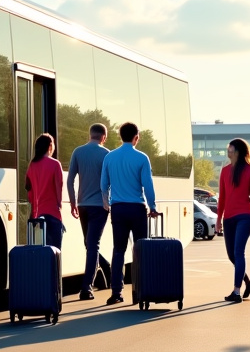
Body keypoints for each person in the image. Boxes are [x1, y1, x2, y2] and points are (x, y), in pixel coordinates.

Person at [99, 122, 159, 305]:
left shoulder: (110, 157)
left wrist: (106, 203)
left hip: (118, 209)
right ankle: (141, 290)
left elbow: (103, 185)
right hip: (137, 209)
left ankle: (116, 292)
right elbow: (147, 185)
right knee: (140, 250)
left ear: (120, 136)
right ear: (136, 137)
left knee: (119, 250)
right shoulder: (142, 158)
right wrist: (153, 206)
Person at [67, 123, 109, 300]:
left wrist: (73, 203)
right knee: (91, 245)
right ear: (103, 137)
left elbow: (70, 181)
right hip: (100, 207)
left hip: (83, 205)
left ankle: (101, 272)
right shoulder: (107, 154)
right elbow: (110, 182)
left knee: (90, 244)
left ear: (89, 135)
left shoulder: (78, 151)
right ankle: (87, 288)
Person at [216, 137, 250, 304]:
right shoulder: (225, 171)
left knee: (238, 252)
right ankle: (248, 284)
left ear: (238, 152)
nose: (228, 152)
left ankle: (236, 291)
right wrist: (219, 218)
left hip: (244, 216)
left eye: (231, 150)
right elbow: (222, 197)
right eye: (228, 149)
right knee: (231, 256)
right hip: (229, 218)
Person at [25, 132, 65, 249]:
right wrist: (59, 205)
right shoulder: (55, 164)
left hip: (39, 215)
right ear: (50, 146)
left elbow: (30, 192)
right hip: (53, 213)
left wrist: (34, 213)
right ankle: (55, 268)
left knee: (44, 250)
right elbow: (59, 188)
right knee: (56, 251)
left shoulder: (32, 165)